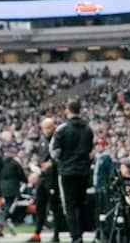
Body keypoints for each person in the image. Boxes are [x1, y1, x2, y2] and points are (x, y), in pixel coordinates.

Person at [50, 99, 95, 243]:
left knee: (69, 205)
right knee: (81, 203)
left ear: (67, 110)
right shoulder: (88, 128)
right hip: (83, 171)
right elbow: (89, 150)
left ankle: (76, 237)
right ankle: (81, 233)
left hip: (67, 171)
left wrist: (62, 160)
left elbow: (54, 152)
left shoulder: (62, 129)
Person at [30, 118, 63, 243]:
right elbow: (40, 156)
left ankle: (56, 235)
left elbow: (61, 156)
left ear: (54, 127)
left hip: (53, 177)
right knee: (40, 206)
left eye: (49, 127)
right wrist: (36, 163)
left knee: (54, 207)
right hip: (42, 177)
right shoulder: (41, 141)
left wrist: (51, 163)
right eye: (45, 127)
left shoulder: (58, 140)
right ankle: (37, 234)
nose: (47, 130)